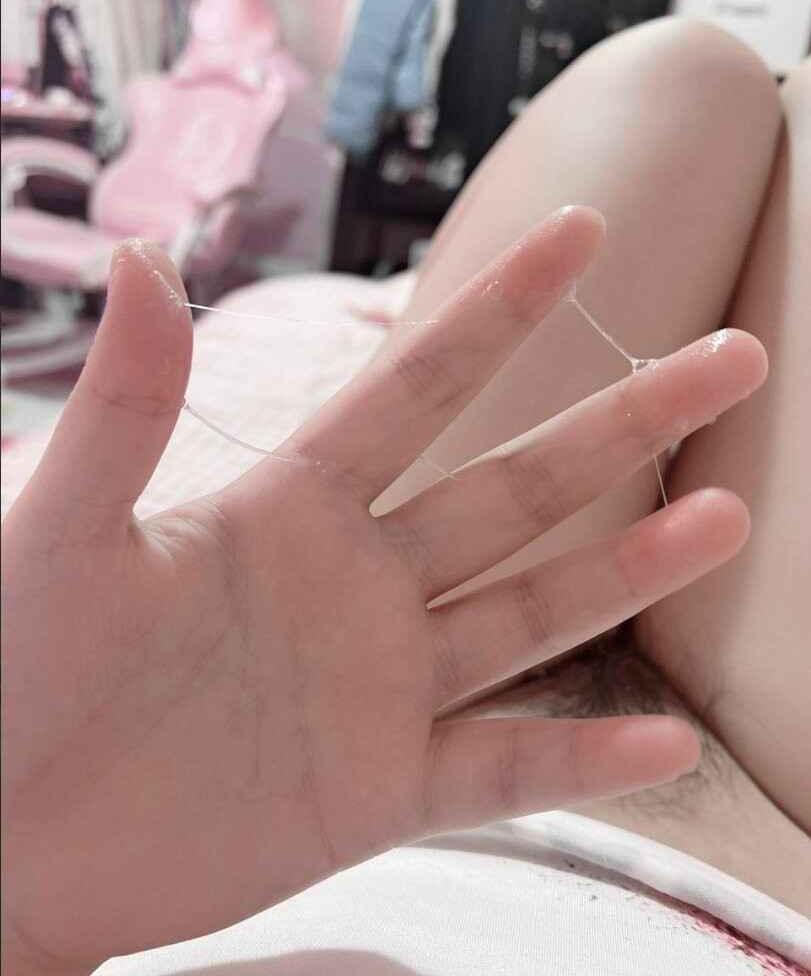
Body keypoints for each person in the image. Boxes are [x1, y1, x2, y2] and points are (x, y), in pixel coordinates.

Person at [1, 17, 809, 975]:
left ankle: (398, 300)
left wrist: (23, 910)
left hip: (356, 714)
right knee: (714, 83)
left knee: (680, 77)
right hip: (772, 854)